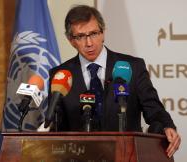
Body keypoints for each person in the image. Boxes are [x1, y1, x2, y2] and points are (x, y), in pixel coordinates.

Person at [48, 5, 181, 157]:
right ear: (71, 40)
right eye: (80, 36)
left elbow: (154, 109)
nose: (89, 43)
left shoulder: (133, 67)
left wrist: (166, 126)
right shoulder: (60, 75)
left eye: (94, 33)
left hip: (126, 155)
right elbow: (56, 125)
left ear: (103, 32)